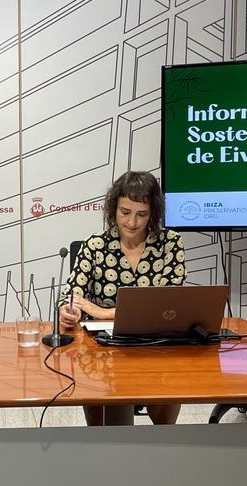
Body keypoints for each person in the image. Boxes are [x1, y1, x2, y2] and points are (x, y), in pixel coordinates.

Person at [58, 171, 187, 426]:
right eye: (125, 212)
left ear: (153, 214)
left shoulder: (170, 244)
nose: (132, 222)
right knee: (112, 431)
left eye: (142, 214)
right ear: (113, 209)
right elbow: (72, 296)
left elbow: (169, 305)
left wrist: (102, 312)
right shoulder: (95, 246)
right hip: (103, 352)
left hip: (156, 348)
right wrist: (69, 310)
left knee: (166, 422)